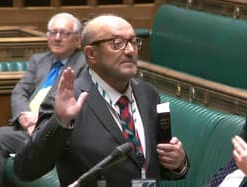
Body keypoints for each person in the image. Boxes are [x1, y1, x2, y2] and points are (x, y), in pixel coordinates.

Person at [14, 14, 189, 187]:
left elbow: (149, 163)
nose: (130, 51)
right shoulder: (68, 102)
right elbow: (26, 170)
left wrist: (177, 161)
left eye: (133, 42)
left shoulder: (148, 94)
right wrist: (60, 122)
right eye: (117, 43)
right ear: (91, 54)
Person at [0, 12, 86, 187]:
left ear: (77, 39)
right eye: (53, 32)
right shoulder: (39, 60)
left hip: (50, 130)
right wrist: (25, 117)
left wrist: (39, 118)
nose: (57, 38)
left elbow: (72, 99)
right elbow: (19, 92)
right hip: (25, 126)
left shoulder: (83, 63)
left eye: (64, 33)